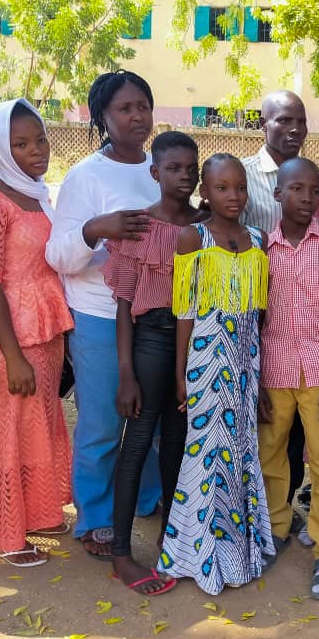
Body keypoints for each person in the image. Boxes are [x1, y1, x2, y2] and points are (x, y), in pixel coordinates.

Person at [46, 71, 163, 560]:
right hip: (99, 314)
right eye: (124, 108)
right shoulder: (85, 177)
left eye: (143, 106)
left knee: (154, 418)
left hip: (155, 314)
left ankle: (148, 498)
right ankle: (94, 517)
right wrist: (96, 228)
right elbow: (59, 255)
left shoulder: (160, 166)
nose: (137, 116)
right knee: (102, 421)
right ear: (102, 117)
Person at [0, 99, 74, 566]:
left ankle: (39, 513)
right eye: (21, 144)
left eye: (40, 139)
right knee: (9, 430)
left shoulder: (37, 193)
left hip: (47, 330)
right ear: (0, 149)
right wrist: (12, 356)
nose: (37, 150)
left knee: (42, 423)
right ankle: (6, 534)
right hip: (11, 338)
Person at [159, 154, 274, 594]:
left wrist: (259, 373)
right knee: (207, 454)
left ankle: (238, 552)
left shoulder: (258, 240)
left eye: (240, 187)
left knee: (241, 450)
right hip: (206, 363)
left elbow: (259, 315)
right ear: (204, 192)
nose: (234, 196)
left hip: (246, 364)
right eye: (222, 188)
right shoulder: (194, 237)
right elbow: (184, 310)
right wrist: (180, 373)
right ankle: (199, 555)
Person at [101, 131, 207, 594]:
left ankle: (170, 540)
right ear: (155, 172)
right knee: (138, 441)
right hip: (150, 343)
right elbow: (125, 305)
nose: (184, 176)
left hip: (195, 345)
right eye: (174, 168)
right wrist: (127, 374)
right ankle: (121, 554)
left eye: (191, 169)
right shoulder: (140, 228)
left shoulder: (205, 227)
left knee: (178, 442)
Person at [257, 157, 319, 600]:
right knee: (270, 455)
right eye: (296, 189)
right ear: (278, 194)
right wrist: (256, 380)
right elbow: (253, 317)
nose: (306, 197)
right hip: (273, 369)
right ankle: (276, 527)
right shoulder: (262, 249)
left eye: (314, 190)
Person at [241, 90, 319, 529]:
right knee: (262, 423)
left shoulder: (314, 177)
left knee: (293, 431)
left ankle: (283, 510)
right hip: (255, 316)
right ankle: (258, 511)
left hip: (303, 325)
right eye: (283, 120)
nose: (294, 129)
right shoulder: (243, 175)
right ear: (263, 124)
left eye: (301, 121)